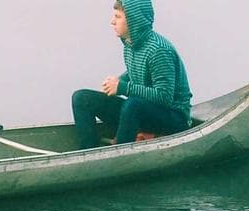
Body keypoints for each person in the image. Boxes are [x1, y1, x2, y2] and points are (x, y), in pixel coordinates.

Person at [72, 0, 193, 150]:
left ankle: (119, 156)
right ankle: (88, 151)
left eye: (117, 17)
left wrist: (123, 88)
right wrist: (119, 81)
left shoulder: (159, 50)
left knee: (132, 104)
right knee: (81, 98)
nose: (112, 22)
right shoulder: (130, 45)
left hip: (174, 118)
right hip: (142, 111)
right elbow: (136, 71)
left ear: (133, 19)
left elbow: (164, 97)